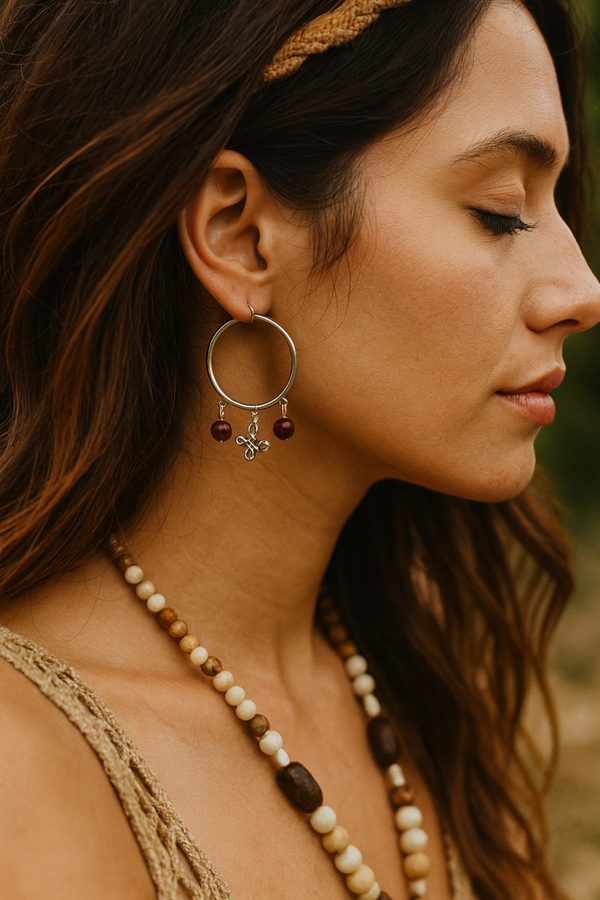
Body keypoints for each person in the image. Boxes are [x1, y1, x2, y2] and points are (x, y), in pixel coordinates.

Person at [0, 0, 599, 898]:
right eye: (500, 210)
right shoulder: (29, 769)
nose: (580, 289)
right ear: (239, 235)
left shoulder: (420, 692)